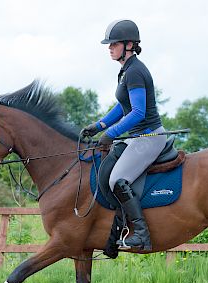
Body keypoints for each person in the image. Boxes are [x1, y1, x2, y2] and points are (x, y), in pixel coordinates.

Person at [81, 19, 171, 251]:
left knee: (117, 180)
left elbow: (139, 112)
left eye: (114, 44)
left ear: (129, 45)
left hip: (149, 137)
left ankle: (141, 234)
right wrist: (99, 125)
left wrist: (111, 133)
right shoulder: (126, 71)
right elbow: (123, 107)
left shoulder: (135, 72)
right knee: (107, 173)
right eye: (109, 44)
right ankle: (117, 227)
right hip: (136, 137)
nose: (109, 48)